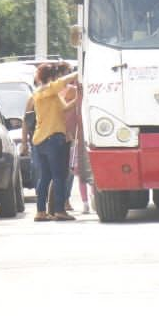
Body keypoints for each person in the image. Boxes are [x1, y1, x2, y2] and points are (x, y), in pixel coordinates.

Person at [30, 62, 79, 222]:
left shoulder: (47, 94)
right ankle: (59, 210)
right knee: (58, 176)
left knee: (45, 177)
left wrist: (79, 99)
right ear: (51, 77)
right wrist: (79, 74)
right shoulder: (45, 90)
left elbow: (64, 109)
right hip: (53, 138)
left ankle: (41, 211)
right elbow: (61, 83)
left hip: (41, 139)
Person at [61, 71, 93, 214]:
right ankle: (90, 201)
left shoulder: (62, 93)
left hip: (74, 138)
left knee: (78, 174)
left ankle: (85, 202)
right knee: (87, 174)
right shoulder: (74, 91)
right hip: (80, 138)